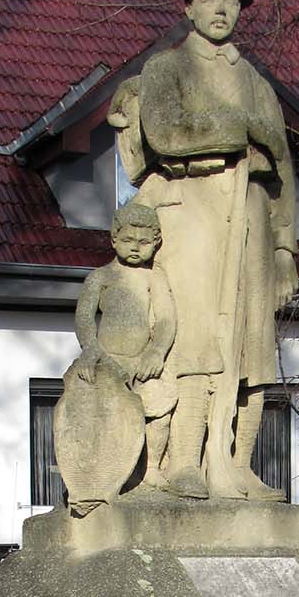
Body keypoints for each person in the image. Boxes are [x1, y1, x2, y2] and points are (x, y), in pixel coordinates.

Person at [123, 0, 298, 500]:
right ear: (190, 8)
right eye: (209, 0)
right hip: (191, 219)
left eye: (231, 1)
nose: (221, 10)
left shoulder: (256, 82)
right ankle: (183, 463)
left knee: (253, 350)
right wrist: (238, 129)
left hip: (248, 226)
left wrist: (283, 251)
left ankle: (239, 465)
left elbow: (282, 171)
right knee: (194, 342)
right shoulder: (167, 68)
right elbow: (166, 134)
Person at [73, 200, 177, 490]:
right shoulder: (100, 277)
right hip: (108, 362)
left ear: (155, 243)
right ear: (114, 238)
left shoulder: (154, 278)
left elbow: (167, 319)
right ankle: (107, 471)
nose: (135, 247)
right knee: (106, 419)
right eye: (129, 240)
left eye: (144, 242)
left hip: (144, 361)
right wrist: (90, 350)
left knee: (159, 412)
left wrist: (157, 351)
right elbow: (84, 316)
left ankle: (152, 468)